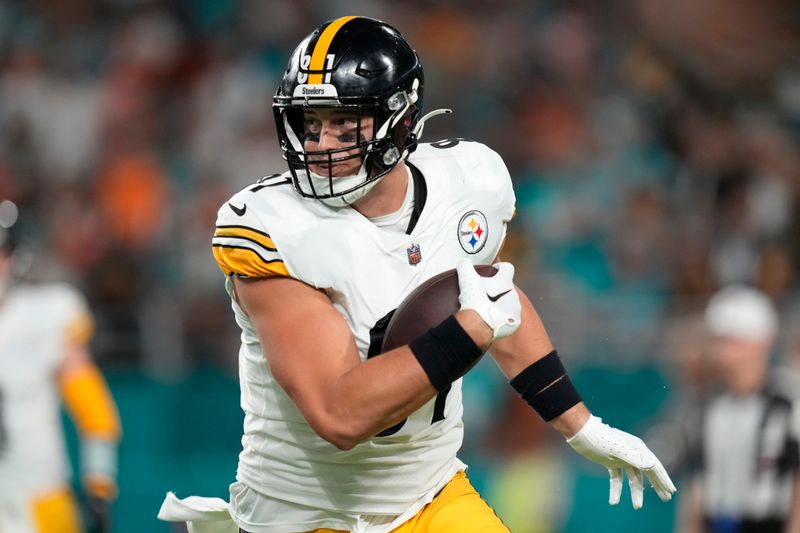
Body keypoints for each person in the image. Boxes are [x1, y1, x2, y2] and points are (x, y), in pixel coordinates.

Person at [159, 16, 675, 533]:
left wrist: (581, 426)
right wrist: (467, 330)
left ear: (401, 121)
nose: (319, 144)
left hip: (430, 496)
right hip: (304, 515)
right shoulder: (274, 226)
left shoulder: (467, 183)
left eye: (343, 123)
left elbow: (495, 298)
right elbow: (341, 416)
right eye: (310, 123)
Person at [0, 201, 122, 533]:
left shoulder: (48, 314)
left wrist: (99, 486)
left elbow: (93, 409)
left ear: (14, 257)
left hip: (40, 499)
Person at [680, 286, 800, 533]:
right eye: (719, 340)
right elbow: (697, 486)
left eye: (731, 341)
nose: (721, 351)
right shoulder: (704, 407)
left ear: (761, 342)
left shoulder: (789, 404)